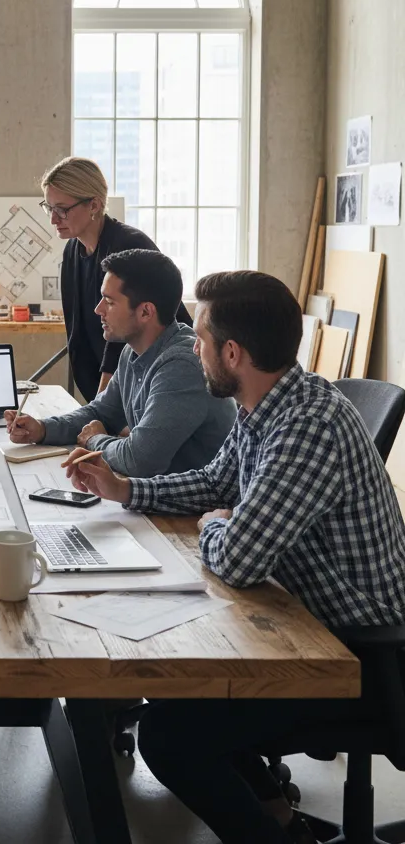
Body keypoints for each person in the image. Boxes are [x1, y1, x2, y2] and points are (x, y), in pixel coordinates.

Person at [68, 270, 405, 844]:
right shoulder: (267, 402)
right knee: (177, 681)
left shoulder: (306, 426)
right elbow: (214, 481)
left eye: (198, 338)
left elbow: (241, 557)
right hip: (301, 621)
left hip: (355, 655)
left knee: (170, 736)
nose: (192, 348)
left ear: (232, 351)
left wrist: (217, 526)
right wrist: (125, 490)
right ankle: (276, 814)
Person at [6, 249, 235, 476]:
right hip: (159, 497)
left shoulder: (182, 366)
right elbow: (101, 413)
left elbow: (139, 460)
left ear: (146, 311)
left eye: (109, 302)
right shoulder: (132, 351)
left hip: (193, 509)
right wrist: (42, 429)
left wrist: (94, 440)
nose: (98, 310)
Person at [41, 156, 193, 404]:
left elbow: (126, 334)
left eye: (62, 210)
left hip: (162, 380)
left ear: (94, 205)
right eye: (49, 208)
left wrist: (102, 408)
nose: (53, 219)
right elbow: (76, 332)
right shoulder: (72, 250)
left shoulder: (128, 245)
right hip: (115, 390)